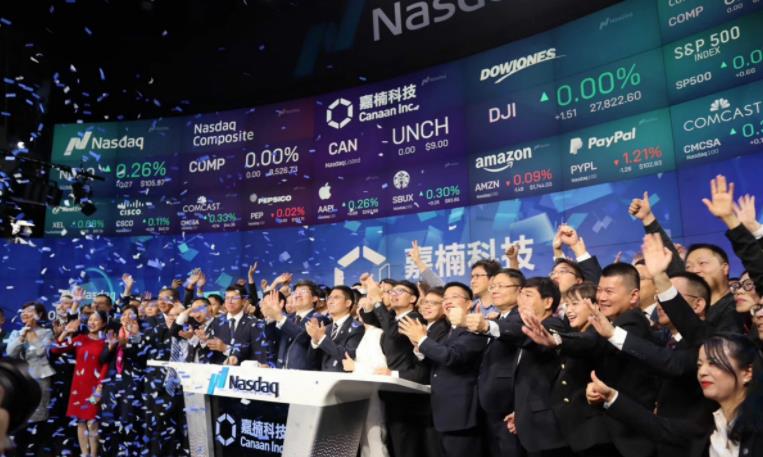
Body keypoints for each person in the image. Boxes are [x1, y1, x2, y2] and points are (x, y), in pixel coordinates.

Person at [588, 333, 763, 456]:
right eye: (699, 364)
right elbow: (658, 428)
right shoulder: (710, 426)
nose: (702, 372)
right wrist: (610, 396)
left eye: (714, 363)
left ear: (747, 373)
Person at [400, 281, 488, 457]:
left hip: (462, 414)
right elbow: (438, 363)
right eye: (445, 298)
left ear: (469, 304)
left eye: (454, 297)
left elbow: (452, 357)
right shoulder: (450, 332)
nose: (448, 301)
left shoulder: (473, 330)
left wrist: (423, 339)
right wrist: (419, 347)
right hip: (444, 412)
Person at [465, 269, 525, 457]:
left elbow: (514, 330)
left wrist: (484, 325)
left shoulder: (521, 316)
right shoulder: (498, 318)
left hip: (510, 407)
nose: (495, 290)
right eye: (493, 287)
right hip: (491, 406)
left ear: (519, 290)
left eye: (501, 286)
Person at [50, 311, 110, 457]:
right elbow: (56, 349)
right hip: (79, 386)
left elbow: (106, 365)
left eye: (96, 320)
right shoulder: (81, 339)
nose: (92, 322)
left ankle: (93, 454)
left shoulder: (107, 342)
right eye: (90, 320)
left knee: (92, 423)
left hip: (95, 387)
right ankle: (84, 453)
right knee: (81, 422)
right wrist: (65, 332)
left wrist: (100, 387)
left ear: (103, 323)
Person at [6, 302, 55, 456]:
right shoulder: (16, 333)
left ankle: (36, 451)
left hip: (39, 379)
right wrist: (22, 335)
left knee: (38, 418)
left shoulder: (47, 332)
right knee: (21, 417)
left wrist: (32, 336)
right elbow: (10, 353)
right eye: (24, 311)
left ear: (39, 315)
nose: (25, 313)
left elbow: (41, 352)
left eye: (30, 311)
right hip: (20, 380)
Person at [307, 286, 364, 372]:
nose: (330, 301)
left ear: (348, 303)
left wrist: (322, 338)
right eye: (329, 298)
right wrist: (315, 340)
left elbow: (347, 357)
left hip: (342, 378)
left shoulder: (357, 328)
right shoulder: (326, 328)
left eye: (336, 297)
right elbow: (311, 362)